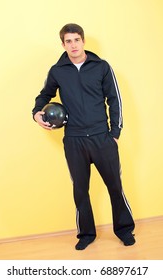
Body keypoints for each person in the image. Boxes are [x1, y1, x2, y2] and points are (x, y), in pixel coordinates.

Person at [32, 23, 135, 250]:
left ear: (83, 41)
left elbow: (114, 99)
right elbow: (44, 95)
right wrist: (36, 113)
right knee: (80, 190)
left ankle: (125, 230)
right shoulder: (57, 71)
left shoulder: (102, 67)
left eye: (76, 40)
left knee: (115, 187)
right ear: (63, 44)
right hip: (74, 140)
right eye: (68, 41)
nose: (73, 45)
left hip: (102, 138)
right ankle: (86, 234)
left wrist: (114, 133)